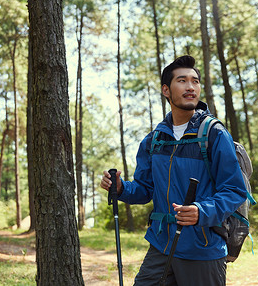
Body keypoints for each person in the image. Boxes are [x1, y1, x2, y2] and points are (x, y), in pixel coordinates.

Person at [100, 55, 247, 286]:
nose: (191, 87)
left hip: (202, 248)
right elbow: (145, 189)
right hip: (161, 245)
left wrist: (201, 211)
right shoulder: (154, 140)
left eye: (195, 81)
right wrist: (121, 188)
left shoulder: (214, 134)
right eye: (182, 81)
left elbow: (234, 190)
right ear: (166, 90)